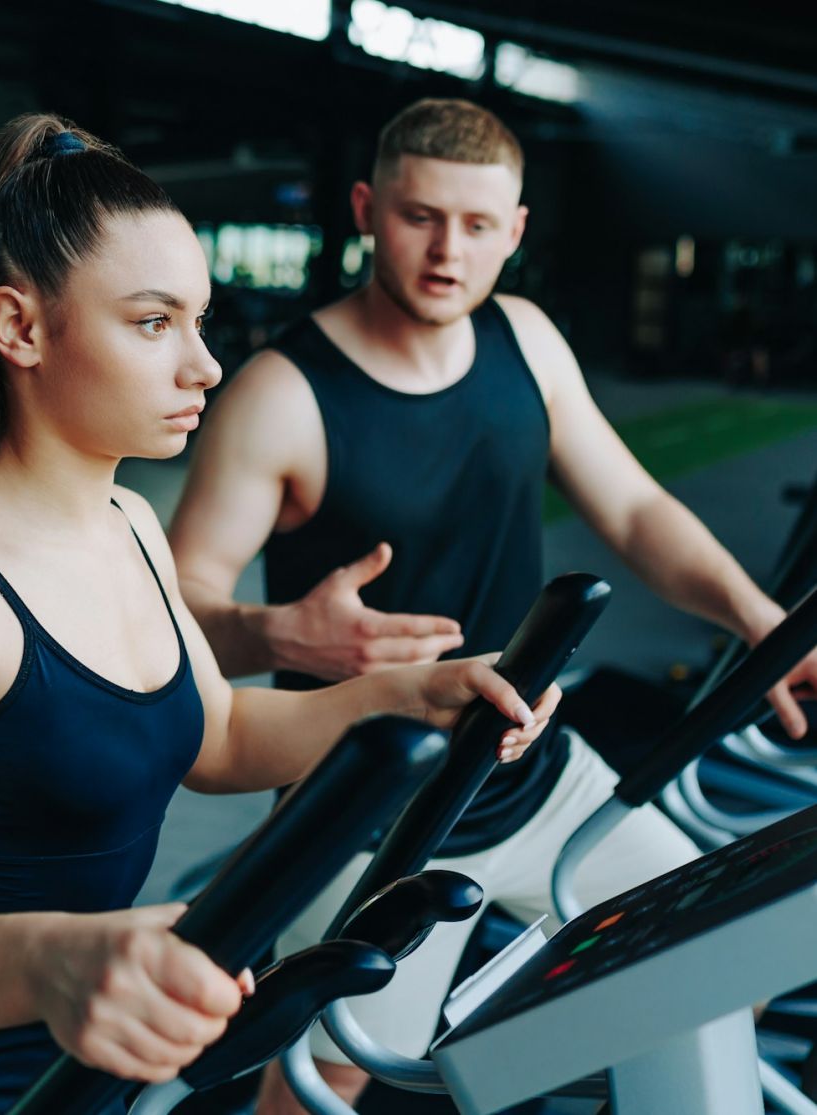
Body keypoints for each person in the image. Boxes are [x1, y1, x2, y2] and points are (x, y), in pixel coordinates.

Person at [0, 114, 559, 1115]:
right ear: (20, 328)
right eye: (152, 323)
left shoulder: (131, 522)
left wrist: (409, 695)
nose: (204, 366)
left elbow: (215, 732)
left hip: (90, 1076)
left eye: (197, 319)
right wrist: (53, 956)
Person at [167, 97, 817, 1113]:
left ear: (514, 230)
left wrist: (756, 617)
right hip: (374, 816)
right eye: (419, 216)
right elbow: (178, 600)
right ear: (365, 211)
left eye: (476, 226)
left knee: (721, 955)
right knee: (322, 1081)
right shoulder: (284, 391)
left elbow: (636, 508)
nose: (445, 251)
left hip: (536, 772)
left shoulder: (524, 338)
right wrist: (278, 631)